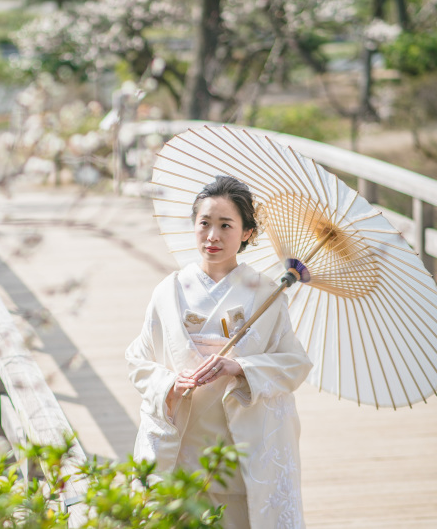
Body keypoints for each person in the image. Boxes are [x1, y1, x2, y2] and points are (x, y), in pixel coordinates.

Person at [126, 176, 313, 528]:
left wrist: (241, 367)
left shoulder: (266, 295)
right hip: (185, 441)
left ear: (246, 232)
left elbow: (295, 364)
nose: (212, 236)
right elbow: (138, 360)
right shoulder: (169, 291)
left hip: (241, 448)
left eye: (225, 225)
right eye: (204, 223)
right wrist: (169, 384)